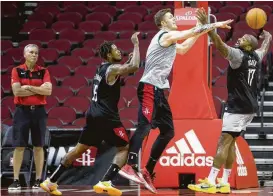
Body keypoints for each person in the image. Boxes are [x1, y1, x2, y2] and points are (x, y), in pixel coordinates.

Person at [119, 8, 233, 193]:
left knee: (168, 132)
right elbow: (187, 34)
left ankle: (147, 170)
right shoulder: (165, 34)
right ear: (163, 23)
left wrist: (200, 28)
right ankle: (129, 165)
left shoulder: (170, 41)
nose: (174, 19)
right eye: (170, 17)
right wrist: (213, 25)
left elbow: (185, 48)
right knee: (145, 126)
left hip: (159, 91)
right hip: (148, 87)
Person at [40, 32, 141, 196]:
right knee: (123, 147)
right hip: (107, 116)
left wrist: (128, 61)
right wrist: (136, 44)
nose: (119, 51)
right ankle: (106, 181)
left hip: (93, 115)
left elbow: (120, 72)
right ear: (109, 54)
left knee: (79, 150)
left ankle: (50, 181)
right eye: (115, 50)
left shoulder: (101, 67)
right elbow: (135, 67)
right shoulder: (112, 68)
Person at [188, 8, 272, 194]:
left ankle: (210, 180)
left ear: (248, 46)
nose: (239, 40)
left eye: (243, 40)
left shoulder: (238, 56)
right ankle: (224, 181)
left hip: (237, 106)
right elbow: (265, 47)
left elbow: (219, 45)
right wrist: (268, 37)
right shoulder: (256, 57)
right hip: (250, 107)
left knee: (222, 142)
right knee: (231, 142)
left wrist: (207, 26)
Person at [8, 44, 52, 190]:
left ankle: (38, 179)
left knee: (38, 146)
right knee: (19, 146)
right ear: (25, 54)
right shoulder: (17, 70)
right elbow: (17, 92)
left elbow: (48, 91)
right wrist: (39, 90)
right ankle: (16, 180)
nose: (34, 55)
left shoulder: (44, 71)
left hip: (39, 112)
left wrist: (29, 88)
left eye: (36, 53)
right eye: (31, 52)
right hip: (22, 112)